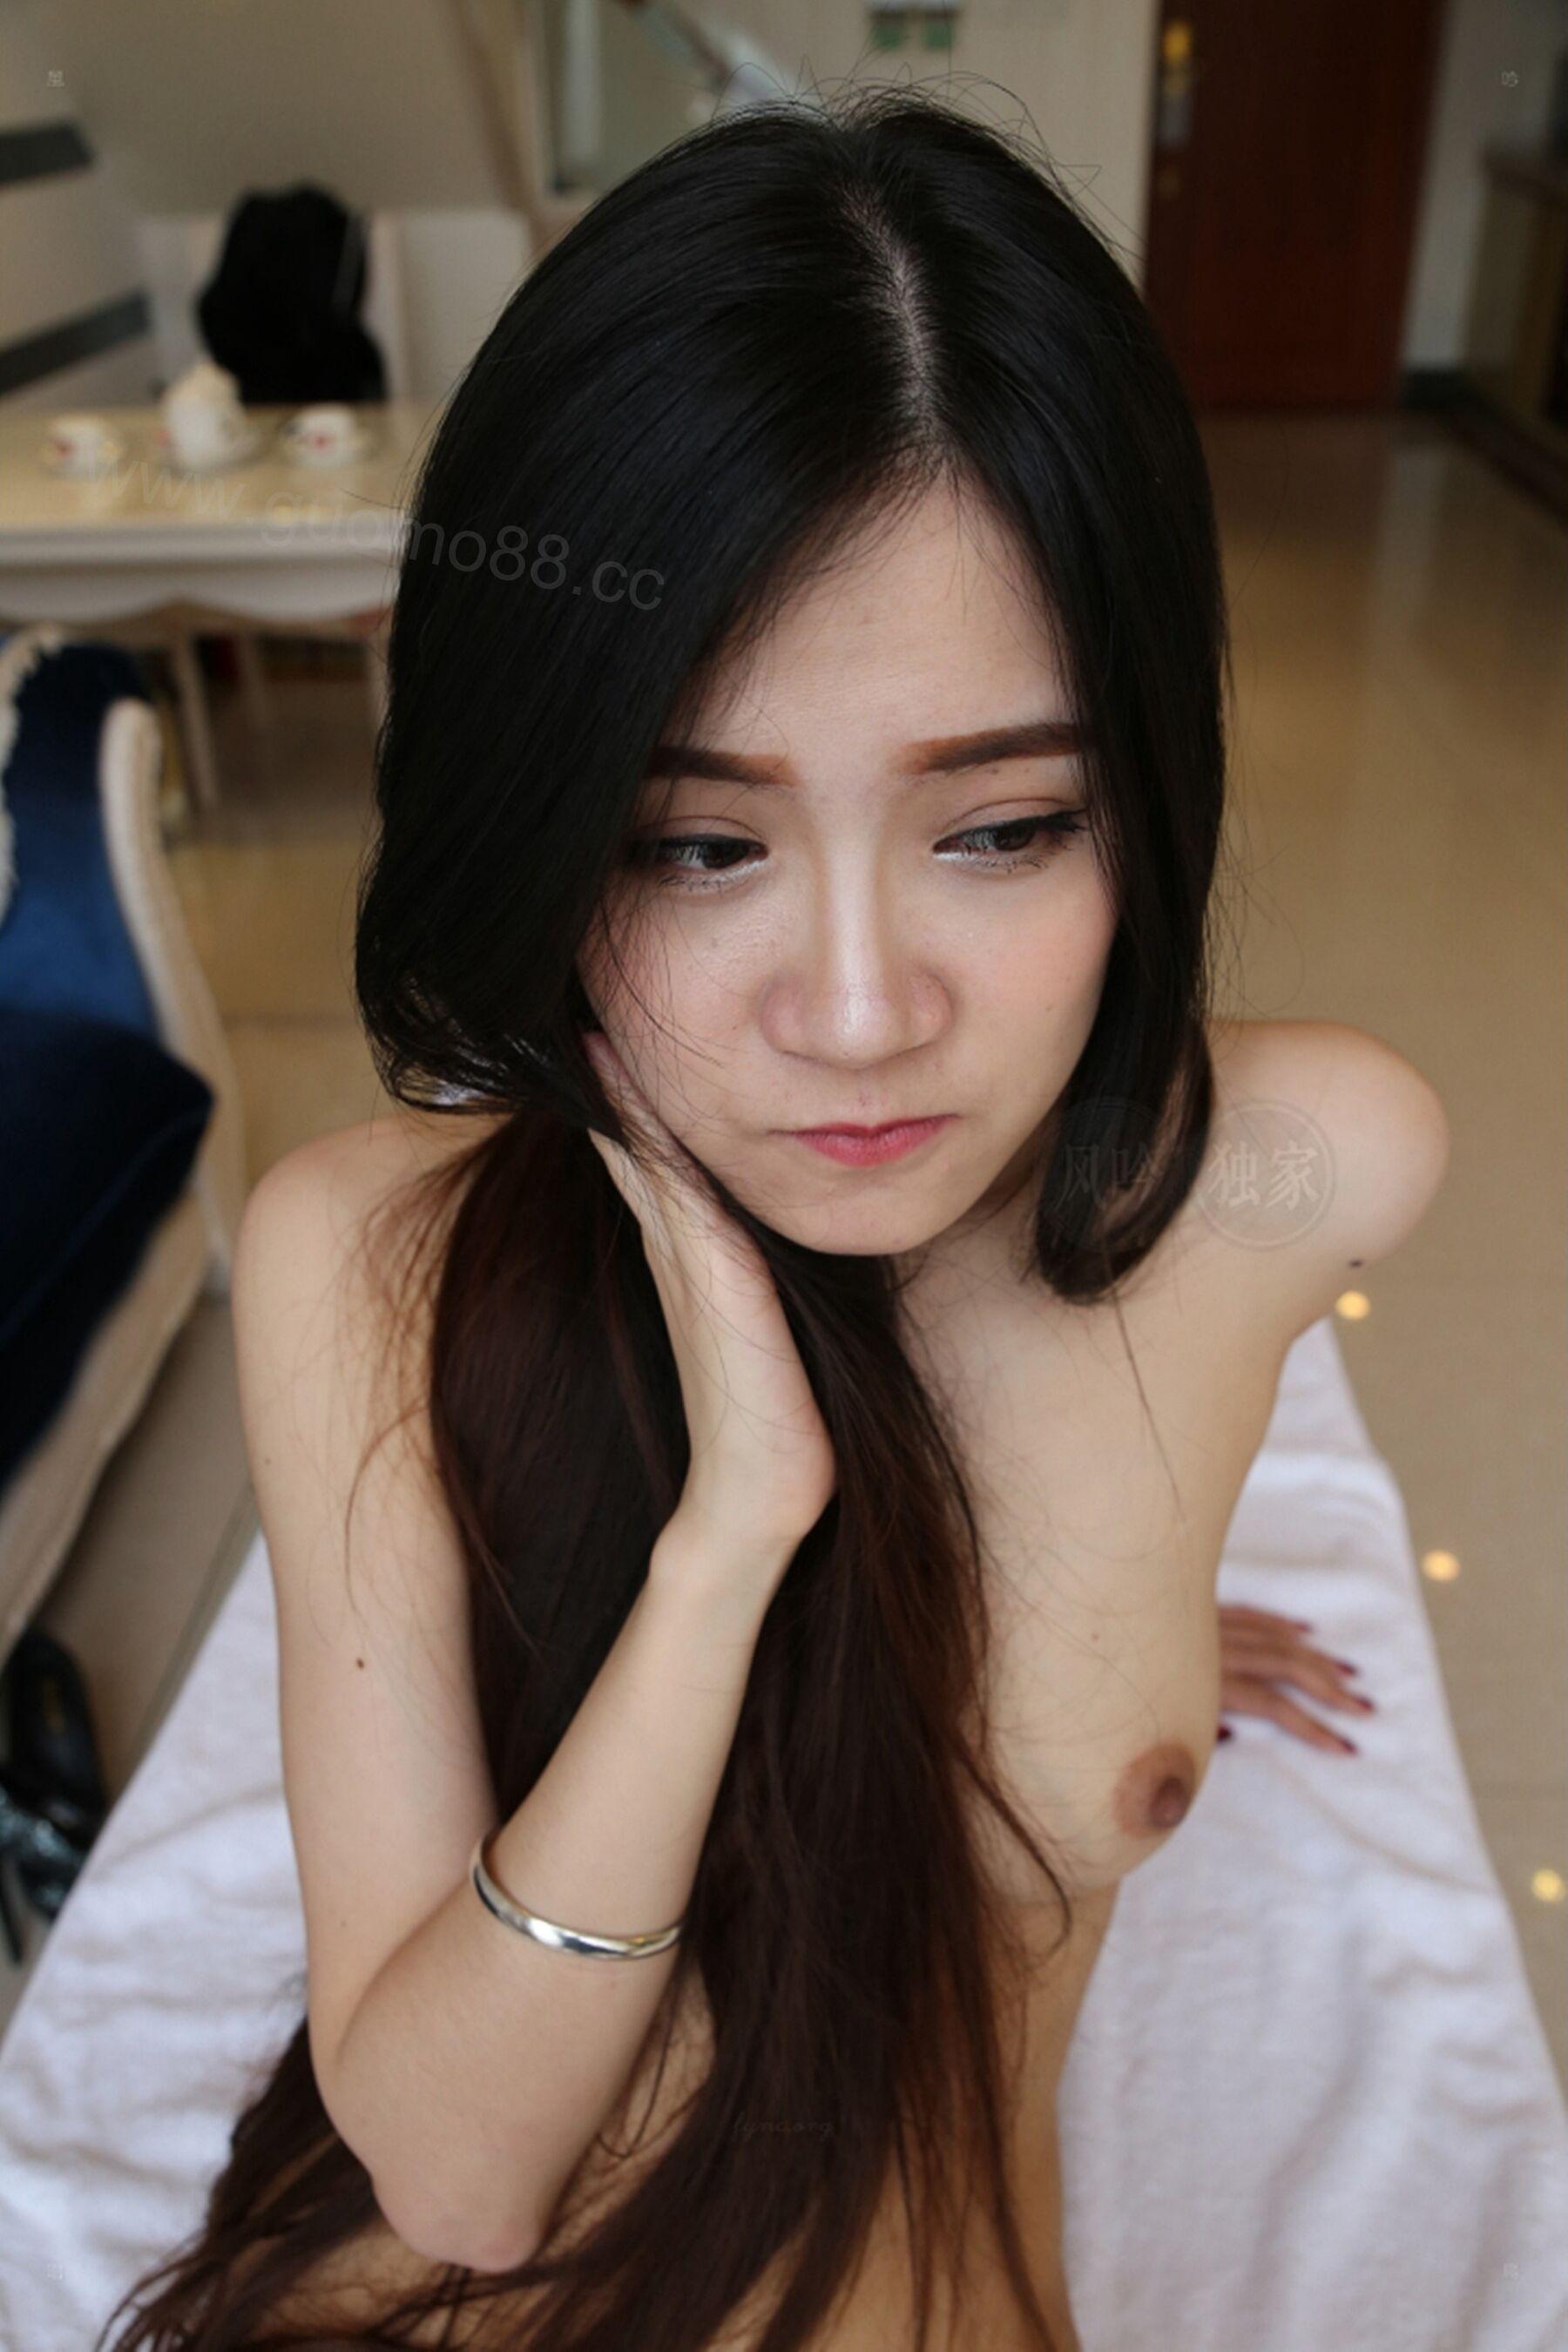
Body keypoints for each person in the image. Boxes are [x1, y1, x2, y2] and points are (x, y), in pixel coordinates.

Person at [105, 82, 1449, 2352]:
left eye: (1001, 826)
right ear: (541, 823)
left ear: (1145, 798)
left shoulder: (1284, 1175)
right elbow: (458, 2174)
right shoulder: (371, 1255)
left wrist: (1094, 1638)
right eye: (696, 843)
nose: (856, 1013)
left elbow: (1071, 1485)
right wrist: (731, 1546)